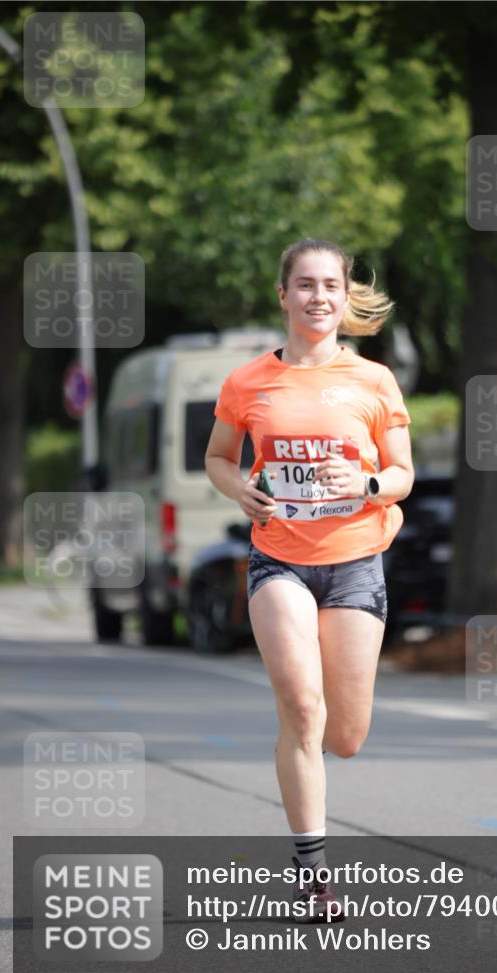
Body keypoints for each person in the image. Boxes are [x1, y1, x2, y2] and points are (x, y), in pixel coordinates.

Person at [204, 237, 414, 922]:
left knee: (343, 734)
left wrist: (368, 481)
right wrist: (240, 488)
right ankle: (313, 877)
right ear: (283, 295)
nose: (317, 296)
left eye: (330, 284)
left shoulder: (374, 381)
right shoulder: (247, 382)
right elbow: (216, 457)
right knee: (300, 708)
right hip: (279, 560)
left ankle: (312, 750)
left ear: (345, 295)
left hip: (354, 562)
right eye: (304, 284)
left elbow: (402, 475)